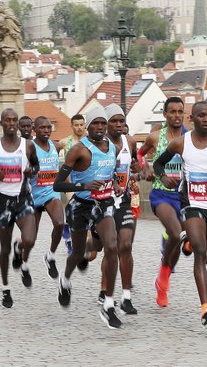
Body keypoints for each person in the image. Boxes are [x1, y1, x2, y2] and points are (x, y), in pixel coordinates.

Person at [152, 102, 207, 329]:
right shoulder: (180, 143)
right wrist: (164, 178)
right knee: (200, 252)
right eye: (202, 116)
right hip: (190, 203)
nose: (206, 119)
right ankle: (205, 309)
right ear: (193, 118)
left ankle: (189, 241)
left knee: (206, 256)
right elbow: (158, 164)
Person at [53, 107, 123, 329]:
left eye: (104, 123)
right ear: (88, 126)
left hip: (104, 204)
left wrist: (116, 184)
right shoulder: (78, 150)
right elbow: (58, 184)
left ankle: (109, 304)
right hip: (81, 206)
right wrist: (82, 185)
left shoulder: (114, 147)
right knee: (77, 252)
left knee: (112, 247)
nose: (100, 127)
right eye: (96, 124)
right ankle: (65, 280)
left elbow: (110, 173)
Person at [0, 109, 39, 308]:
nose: (12, 123)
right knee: (4, 249)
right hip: (4, 201)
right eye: (8, 120)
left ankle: (20, 252)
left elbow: (36, 167)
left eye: (15, 120)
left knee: (29, 239)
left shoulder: (28, 145)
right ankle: (6, 288)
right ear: (1, 123)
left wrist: (31, 171)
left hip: (23, 199)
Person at [139, 96, 189, 308]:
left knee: (178, 244)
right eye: (172, 112)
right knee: (178, 235)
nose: (176, 116)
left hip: (185, 195)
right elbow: (139, 155)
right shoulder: (155, 137)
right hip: (161, 194)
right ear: (165, 114)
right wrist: (146, 169)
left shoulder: (191, 137)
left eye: (180, 112)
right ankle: (164, 283)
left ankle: (163, 277)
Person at [100, 104, 140, 315]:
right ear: (105, 123)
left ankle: (125, 297)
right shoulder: (99, 146)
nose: (118, 125)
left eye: (121, 121)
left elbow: (135, 166)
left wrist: (136, 173)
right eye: (113, 121)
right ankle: (105, 289)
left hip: (123, 201)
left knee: (125, 245)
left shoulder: (130, 141)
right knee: (104, 248)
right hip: (102, 203)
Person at [29, 115, 66, 281]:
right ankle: (23, 260)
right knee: (30, 239)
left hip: (51, 192)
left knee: (60, 223)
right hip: (32, 195)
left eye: (48, 127)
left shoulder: (55, 146)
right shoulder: (29, 147)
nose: (45, 130)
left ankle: (50, 255)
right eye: (42, 128)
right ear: (34, 130)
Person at [57, 113, 86, 255]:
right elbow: (53, 152)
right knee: (73, 204)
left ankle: (68, 228)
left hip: (86, 182)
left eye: (81, 125)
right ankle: (70, 240)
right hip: (70, 183)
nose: (79, 128)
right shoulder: (65, 142)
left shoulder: (89, 140)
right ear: (72, 126)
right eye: (76, 125)